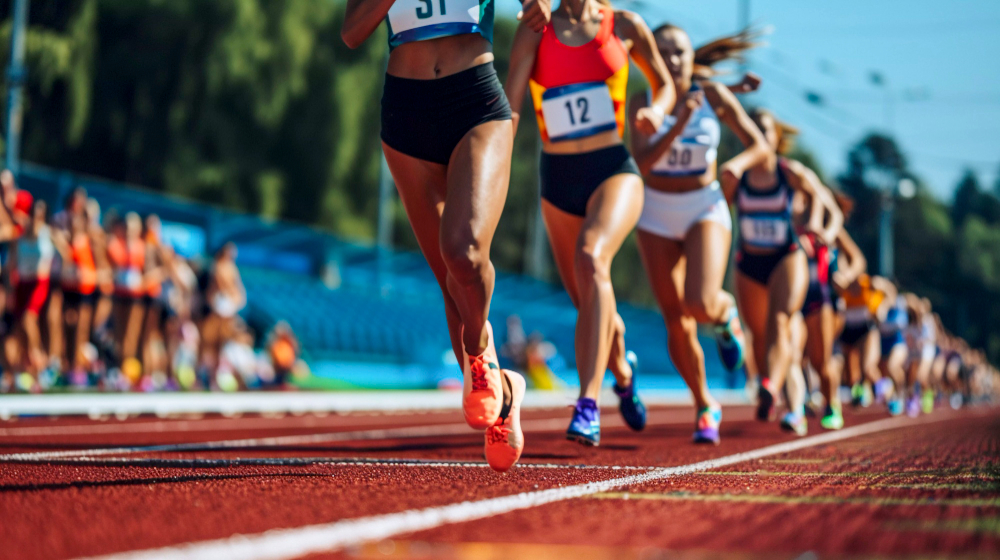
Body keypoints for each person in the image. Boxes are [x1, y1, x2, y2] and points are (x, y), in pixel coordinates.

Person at [341, 0, 552, 471]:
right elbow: (352, 31)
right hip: (405, 116)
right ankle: (504, 393)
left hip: (473, 101)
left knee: (465, 252)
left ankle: (479, 351)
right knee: (449, 280)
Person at [505, 0, 674, 445]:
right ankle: (622, 370)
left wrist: (657, 110)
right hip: (557, 179)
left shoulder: (625, 25)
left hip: (613, 169)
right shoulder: (535, 28)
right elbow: (510, 106)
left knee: (591, 257)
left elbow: (667, 85)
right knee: (591, 301)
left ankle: (587, 404)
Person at [628, 24, 771, 444]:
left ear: (692, 59)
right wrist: (679, 123)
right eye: (664, 52)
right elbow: (644, 163)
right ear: (651, 58)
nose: (673, 60)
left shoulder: (713, 95)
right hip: (655, 209)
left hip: (703, 205)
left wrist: (738, 165)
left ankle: (726, 317)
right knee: (676, 318)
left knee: (699, 302)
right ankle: (705, 404)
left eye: (680, 52)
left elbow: (760, 144)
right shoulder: (643, 102)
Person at [735, 108, 842, 434]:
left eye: (764, 130)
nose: (757, 135)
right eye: (750, 128)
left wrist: (818, 226)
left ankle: (801, 396)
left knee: (790, 334)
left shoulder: (790, 173)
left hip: (793, 265)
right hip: (751, 265)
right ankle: (784, 399)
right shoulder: (736, 176)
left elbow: (829, 205)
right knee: (762, 336)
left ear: (776, 138)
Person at [788, 190, 866, 430]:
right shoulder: (795, 224)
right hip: (796, 298)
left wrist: (846, 275)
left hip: (825, 300)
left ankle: (832, 405)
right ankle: (798, 408)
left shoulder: (832, 230)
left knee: (820, 359)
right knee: (793, 353)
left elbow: (858, 260)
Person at [9, 200, 68, 389]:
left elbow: (67, 253)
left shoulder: (47, 233)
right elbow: (12, 261)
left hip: (40, 282)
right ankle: (28, 371)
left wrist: (58, 270)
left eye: (40, 215)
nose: (36, 218)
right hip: (22, 283)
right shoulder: (20, 234)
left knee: (28, 319)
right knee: (20, 328)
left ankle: (39, 356)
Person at [836, 273, 896, 409]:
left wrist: (884, 306)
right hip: (849, 328)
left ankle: (890, 396)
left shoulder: (869, 282)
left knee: (868, 368)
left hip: (866, 328)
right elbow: (836, 284)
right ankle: (860, 394)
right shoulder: (842, 282)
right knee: (850, 375)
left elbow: (891, 292)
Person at [877, 287, 909, 416]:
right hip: (881, 341)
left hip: (897, 341)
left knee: (892, 366)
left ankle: (901, 393)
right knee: (884, 375)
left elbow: (900, 322)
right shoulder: (878, 301)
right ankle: (893, 398)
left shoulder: (898, 303)